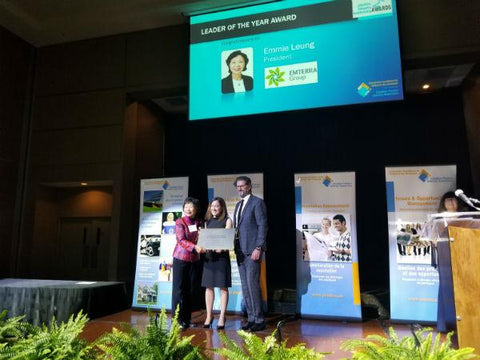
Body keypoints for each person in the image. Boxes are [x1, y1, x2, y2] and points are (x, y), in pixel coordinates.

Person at [233, 176, 268, 332]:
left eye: (242, 186)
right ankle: (251, 318)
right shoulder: (238, 205)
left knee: (253, 285)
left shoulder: (257, 203)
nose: (240, 189)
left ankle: (260, 320)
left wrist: (259, 247)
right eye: (238, 186)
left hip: (253, 250)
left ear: (249, 186)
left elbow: (262, 226)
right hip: (240, 252)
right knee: (245, 286)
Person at [171, 197, 204, 330]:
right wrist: (195, 247)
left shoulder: (199, 222)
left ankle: (187, 319)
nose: (188, 209)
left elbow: (202, 237)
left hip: (194, 260)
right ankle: (177, 320)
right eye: (186, 206)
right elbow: (181, 240)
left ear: (196, 209)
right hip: (180, 259)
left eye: (191, 207)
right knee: (179, 290)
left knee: (190, 290)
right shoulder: (180, 222)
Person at [201, 197, 233, 330]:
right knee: (208, 287)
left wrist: (222, 246)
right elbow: (204, 240)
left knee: (223, 287)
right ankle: (209, 315)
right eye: (212, 206)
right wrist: (202, 246)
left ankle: (222, 316)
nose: (214, 208)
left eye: (217, 206)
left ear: (222, 208)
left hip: (222, 258)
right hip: (209, 258)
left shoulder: (227, 220)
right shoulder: (207, 221)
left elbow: (228, 239)